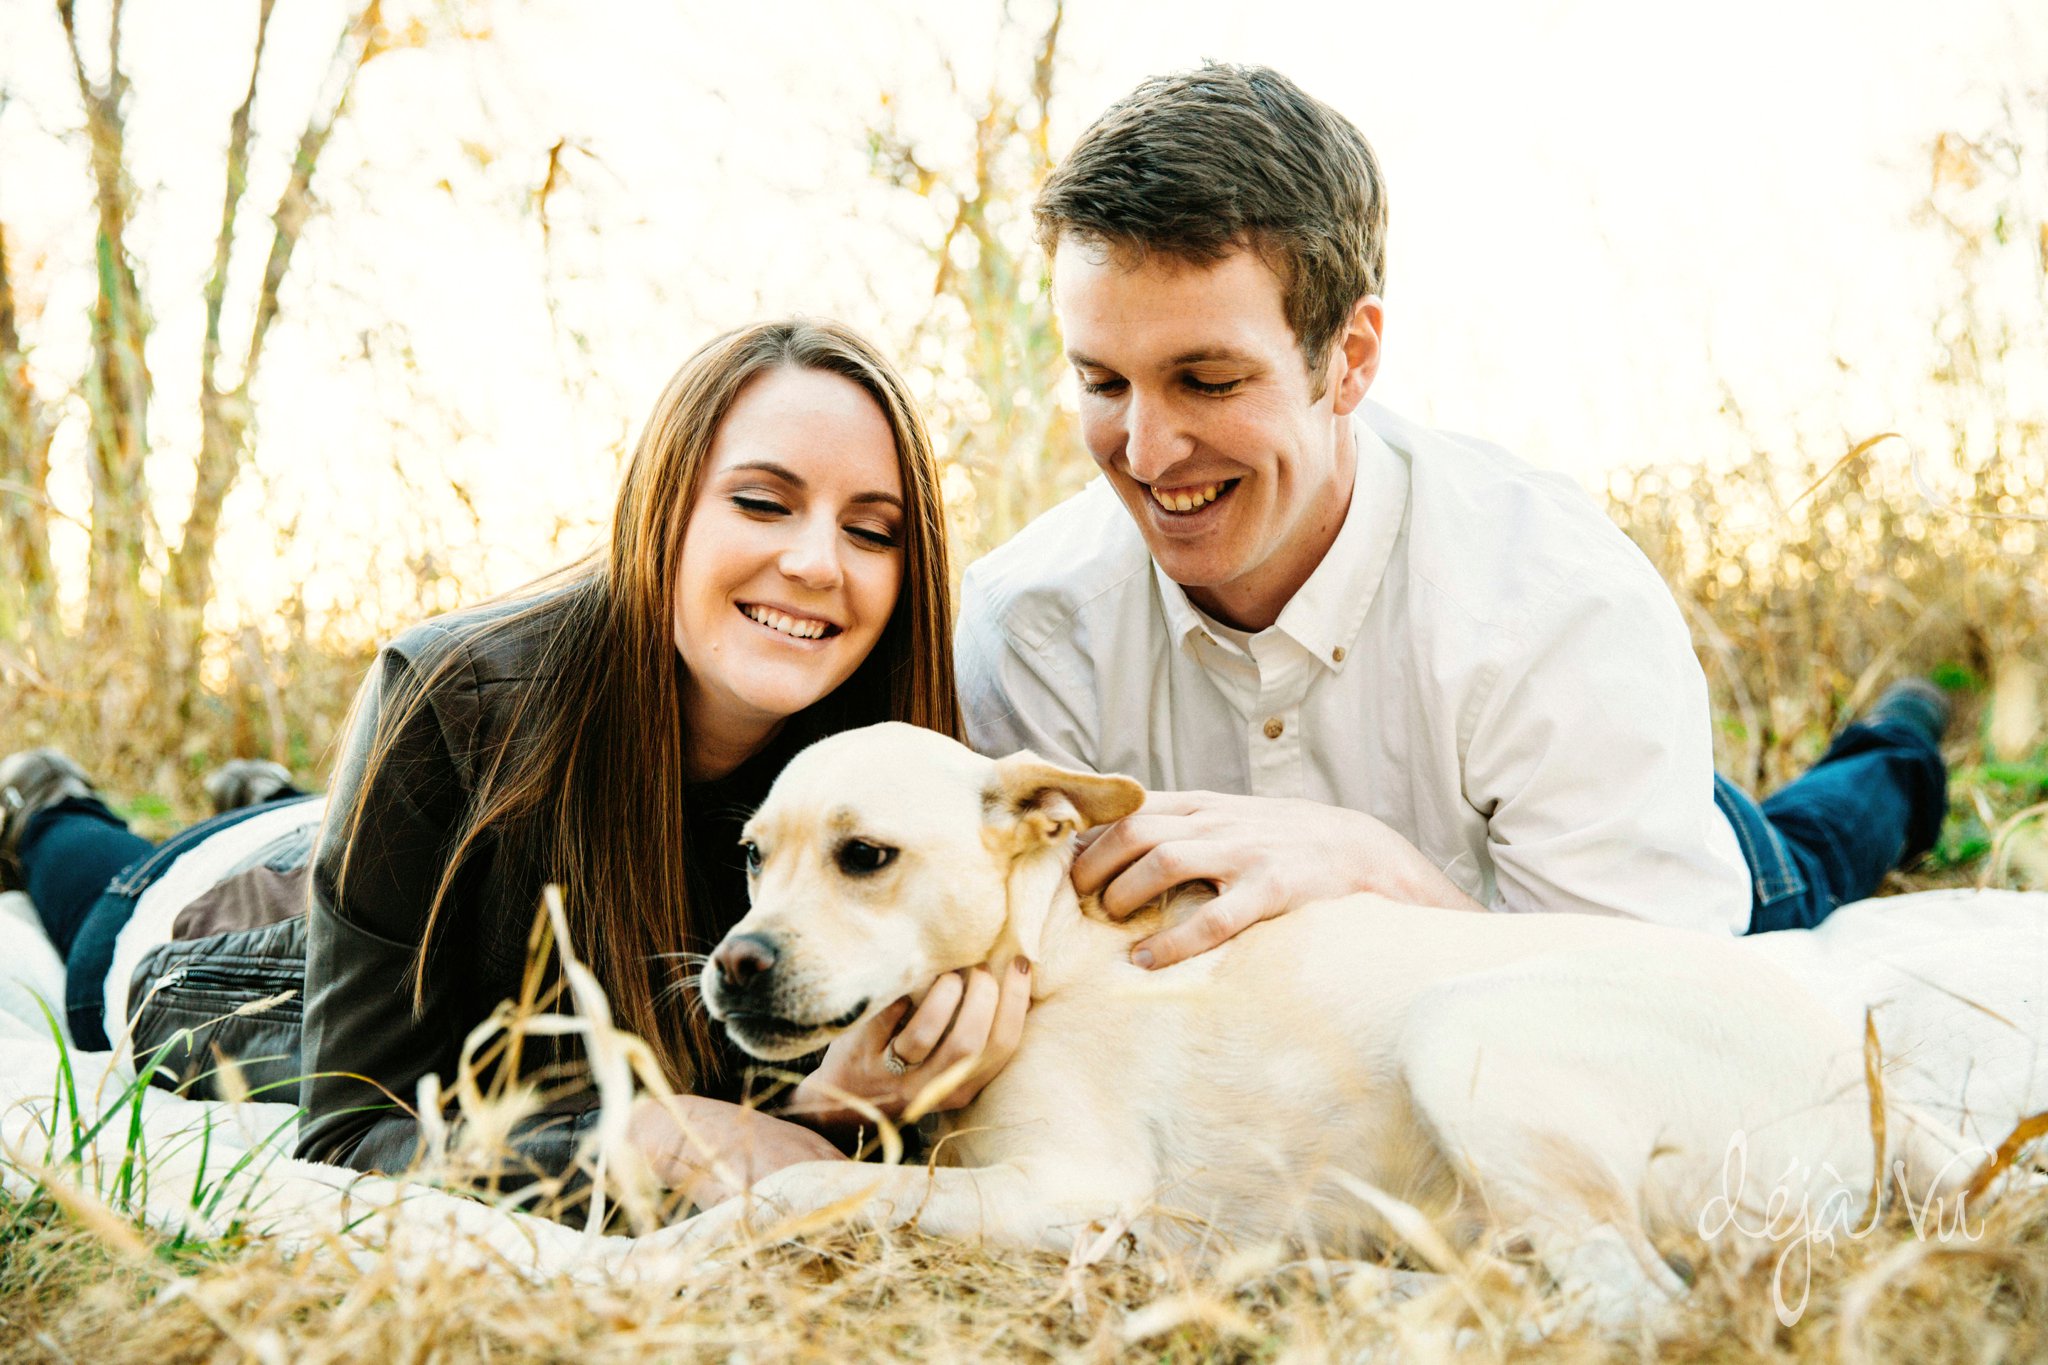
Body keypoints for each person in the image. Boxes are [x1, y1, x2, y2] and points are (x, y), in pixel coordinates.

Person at [0, 318, 1028, 1214]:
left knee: (306, 823)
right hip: (220, 928)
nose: (817, 563)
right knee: (103, 894)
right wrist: (644, 1141)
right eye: (762, 503)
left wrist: (857, 1100)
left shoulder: (909, 782)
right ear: (665, 504)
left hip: (341, 843)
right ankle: (44, 803)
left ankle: (266, 792)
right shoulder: (453, 692)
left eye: (871, 530)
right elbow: (350, 1135)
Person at [955, 64, 1949, 968]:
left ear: (1348, 360)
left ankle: (1900, 746)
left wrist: (1373, 874)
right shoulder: (1029, 633)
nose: (1143, 452)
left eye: (1207, 382)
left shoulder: (1557, 607)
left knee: (1816, 844)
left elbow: (1649, 1019)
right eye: (1101, 383)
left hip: (1635, 870)